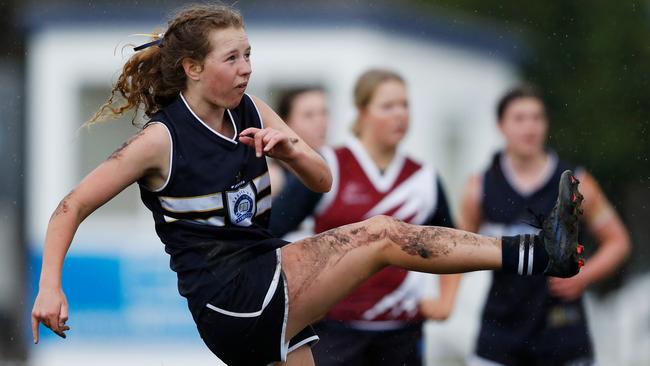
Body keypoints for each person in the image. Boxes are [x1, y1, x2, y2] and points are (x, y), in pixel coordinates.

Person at [30, 5, 585, 366]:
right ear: (193, 69)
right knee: (382, 236)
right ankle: (537, 252)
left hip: (262, 283)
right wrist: (49, 286)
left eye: (249, 54)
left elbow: (322, 179)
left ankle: (541, 252)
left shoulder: (251, 107)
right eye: (232, 58)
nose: (246, 67)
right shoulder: (161, 140)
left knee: (380, 237)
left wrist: (291, 148)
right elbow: (71, 205)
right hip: (233, 297)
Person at [271, 69, 461, 365]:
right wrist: (300, 295)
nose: (399, 114)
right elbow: (271, 232)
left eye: (404, 105)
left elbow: (453, 240)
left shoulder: (424, 178)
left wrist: (446, 301)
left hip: (403, 334)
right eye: (388, 106)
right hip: (335, 332)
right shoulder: (328, 166)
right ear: (362, 111)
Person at [460, 85, 630, 366]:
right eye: (520, 118)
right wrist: (445, 298)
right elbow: (458, 249)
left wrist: (584, 277)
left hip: (562, 336)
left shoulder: (577, 182)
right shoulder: (479, 187)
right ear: (501, 126)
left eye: (537, 118)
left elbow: (618, 242)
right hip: (499, 336)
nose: (530, 127)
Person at [268, 86, 329, 196]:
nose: (321, 122)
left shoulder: (333, 165)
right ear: (284, 123)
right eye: (309, 115)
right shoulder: (273, 178)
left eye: (324, 113)